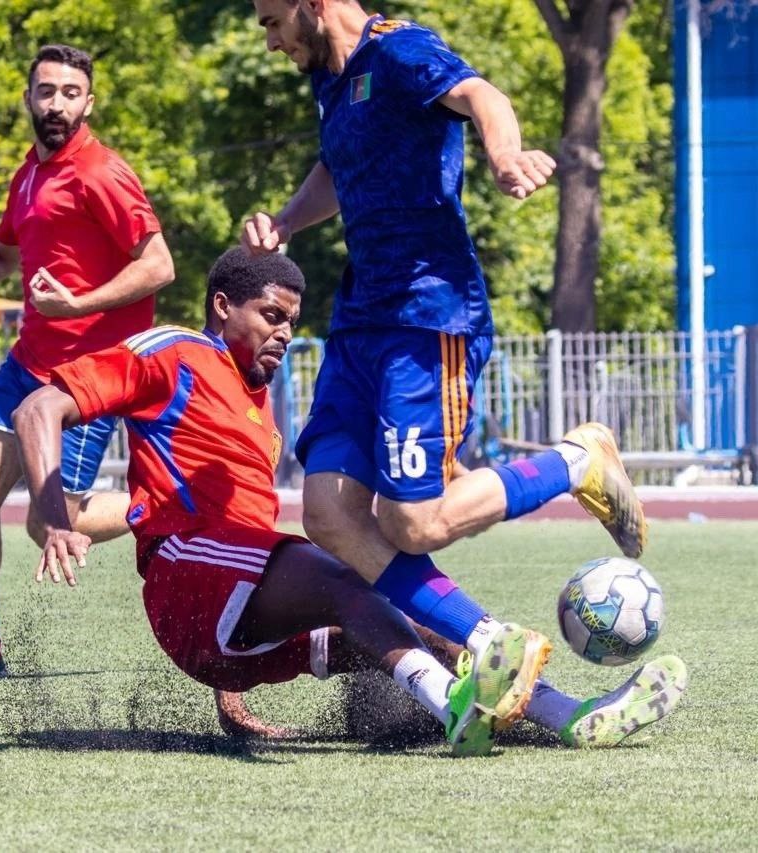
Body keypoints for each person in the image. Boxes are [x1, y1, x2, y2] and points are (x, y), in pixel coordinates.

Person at [17, 248, 685, 751]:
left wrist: (228, 685)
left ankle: (567, 716)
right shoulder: (175, 351)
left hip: (228, 621)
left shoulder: (262, 412)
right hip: (185, 580)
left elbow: (249, 559)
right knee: (347, 577)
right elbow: (38, 408)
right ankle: (455, 708)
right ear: (222, 306)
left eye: (292, 321)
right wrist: (54, 518)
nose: (284, 333)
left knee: (405, 615)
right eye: (270, 316)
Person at [241, 0, 679, 741]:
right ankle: (492, 644)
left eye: (272, 19)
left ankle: (576, 461)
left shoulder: (399, 50)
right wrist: (285, 220)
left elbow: (482, 95)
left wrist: (505, 155)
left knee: (413, 522)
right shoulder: (331, 79)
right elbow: (339, 167)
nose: (269, 38)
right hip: (359, 324)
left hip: (427, 316)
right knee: (326, 513)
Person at [0, 44, 175, 682]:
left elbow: (159, 265)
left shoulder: (102, 172)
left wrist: (79, 303)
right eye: (46, 91)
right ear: (29, 98)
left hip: (87, 377)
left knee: (53, 521)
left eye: (70, 93)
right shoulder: (29, 172)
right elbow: (3, 256)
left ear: (89, 103)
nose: (56, 103)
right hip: (28, 362)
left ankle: (164, 507)